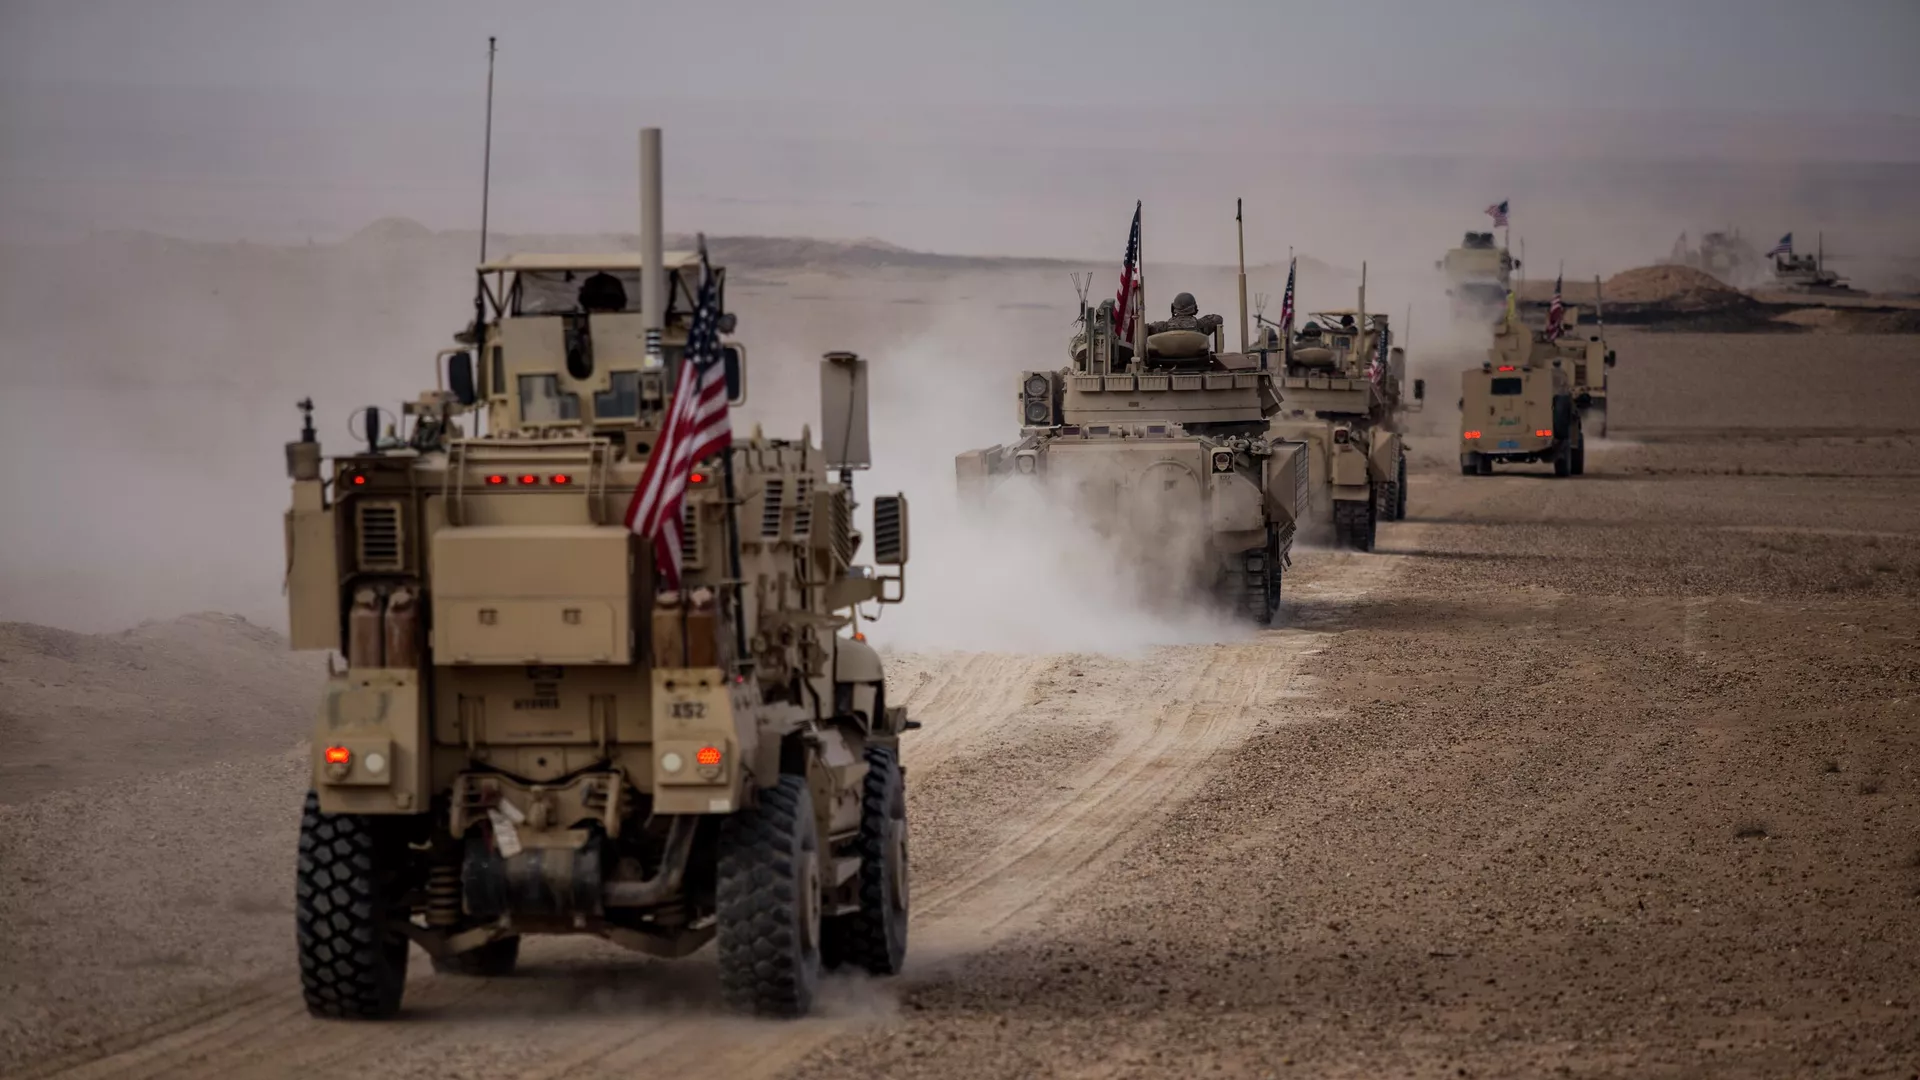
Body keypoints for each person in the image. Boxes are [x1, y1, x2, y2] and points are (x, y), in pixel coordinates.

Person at [1146, 292, 1224, 336]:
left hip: (1170, 363)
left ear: (1173, 308)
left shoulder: (1164, 327)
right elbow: (1218, 319)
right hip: (1197, 362)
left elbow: (1146, 329)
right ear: (1195, 308)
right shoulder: (1201, 325)